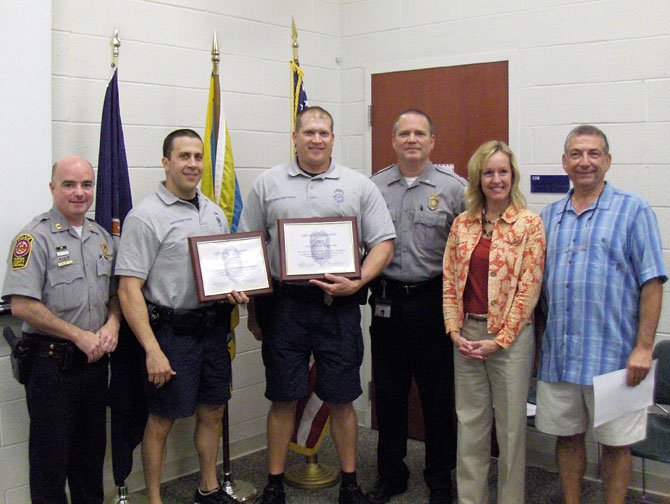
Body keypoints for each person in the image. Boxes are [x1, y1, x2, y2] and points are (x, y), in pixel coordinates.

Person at [239, 106, 396, 504]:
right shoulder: (268, 184)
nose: (316, 139)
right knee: (283, 396)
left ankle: (349, 482)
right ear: (294, 137)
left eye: (323, 132)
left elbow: (384, 244)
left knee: (343, 397)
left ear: (332, 139)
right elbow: (250, 245)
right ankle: (274, 484)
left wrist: (358, 279)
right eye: (308, 132)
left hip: (337, 304)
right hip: (285, 305)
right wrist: (253, 309)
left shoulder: (359, 186)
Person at [115, 129, 248, 504]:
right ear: (166, 162)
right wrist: (152, 350)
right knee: (161, 419)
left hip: (211, 331)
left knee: (213, 409)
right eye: (184, 156)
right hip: (170, 333)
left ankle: (207, 488)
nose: (192, 164)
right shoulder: (145, 216)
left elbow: (222, 270)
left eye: (198, 157)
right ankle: (155, 499)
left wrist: (236, 289)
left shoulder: (213, 211)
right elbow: (128, 289)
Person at [536, 125, 666, 504]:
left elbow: (652, 282)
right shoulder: (549, 216)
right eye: (576, 154)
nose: (585, 162)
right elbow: (538, 288)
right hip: (560, 357)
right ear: (564, 162)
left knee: (616, 445)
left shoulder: (633, 209)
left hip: (616, 358)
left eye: (594, 153)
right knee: (568, 437)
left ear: (608, 161)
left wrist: (644, 348)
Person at [2, 156, 121, 504]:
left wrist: (113, 323)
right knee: (50, 464)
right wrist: (78, 335)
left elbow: (114, 296)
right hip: (52, 367)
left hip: (95, 366)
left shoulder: (102, 237)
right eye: (69, 184)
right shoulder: (33, 238)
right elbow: (22, 305)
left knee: (90, 460)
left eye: (86, 184)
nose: (79, 192)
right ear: (53, 188)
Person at [367, 109, 464, 504]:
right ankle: (391, 476)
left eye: (419, 133)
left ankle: (440, 480)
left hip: (432, 302)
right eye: (404, 133)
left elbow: (468, 248)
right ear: (393, 140)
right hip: (387, 301)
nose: (412, 140)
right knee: (388, 395)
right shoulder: (372, 188)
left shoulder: (455, 188)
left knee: (437, 398)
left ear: (432, 141)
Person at [443, 141, 546, 504]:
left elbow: (528, 289)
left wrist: (500, 340)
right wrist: (454, 331)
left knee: (511, 430)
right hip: (467, 336)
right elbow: (450, 281)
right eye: (489, 172)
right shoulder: (463, 224)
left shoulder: (529, 224)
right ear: (478, 178)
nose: (496, 179)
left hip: (511, 340)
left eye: (503, 171)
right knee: (470, 426)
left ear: (512, 176)